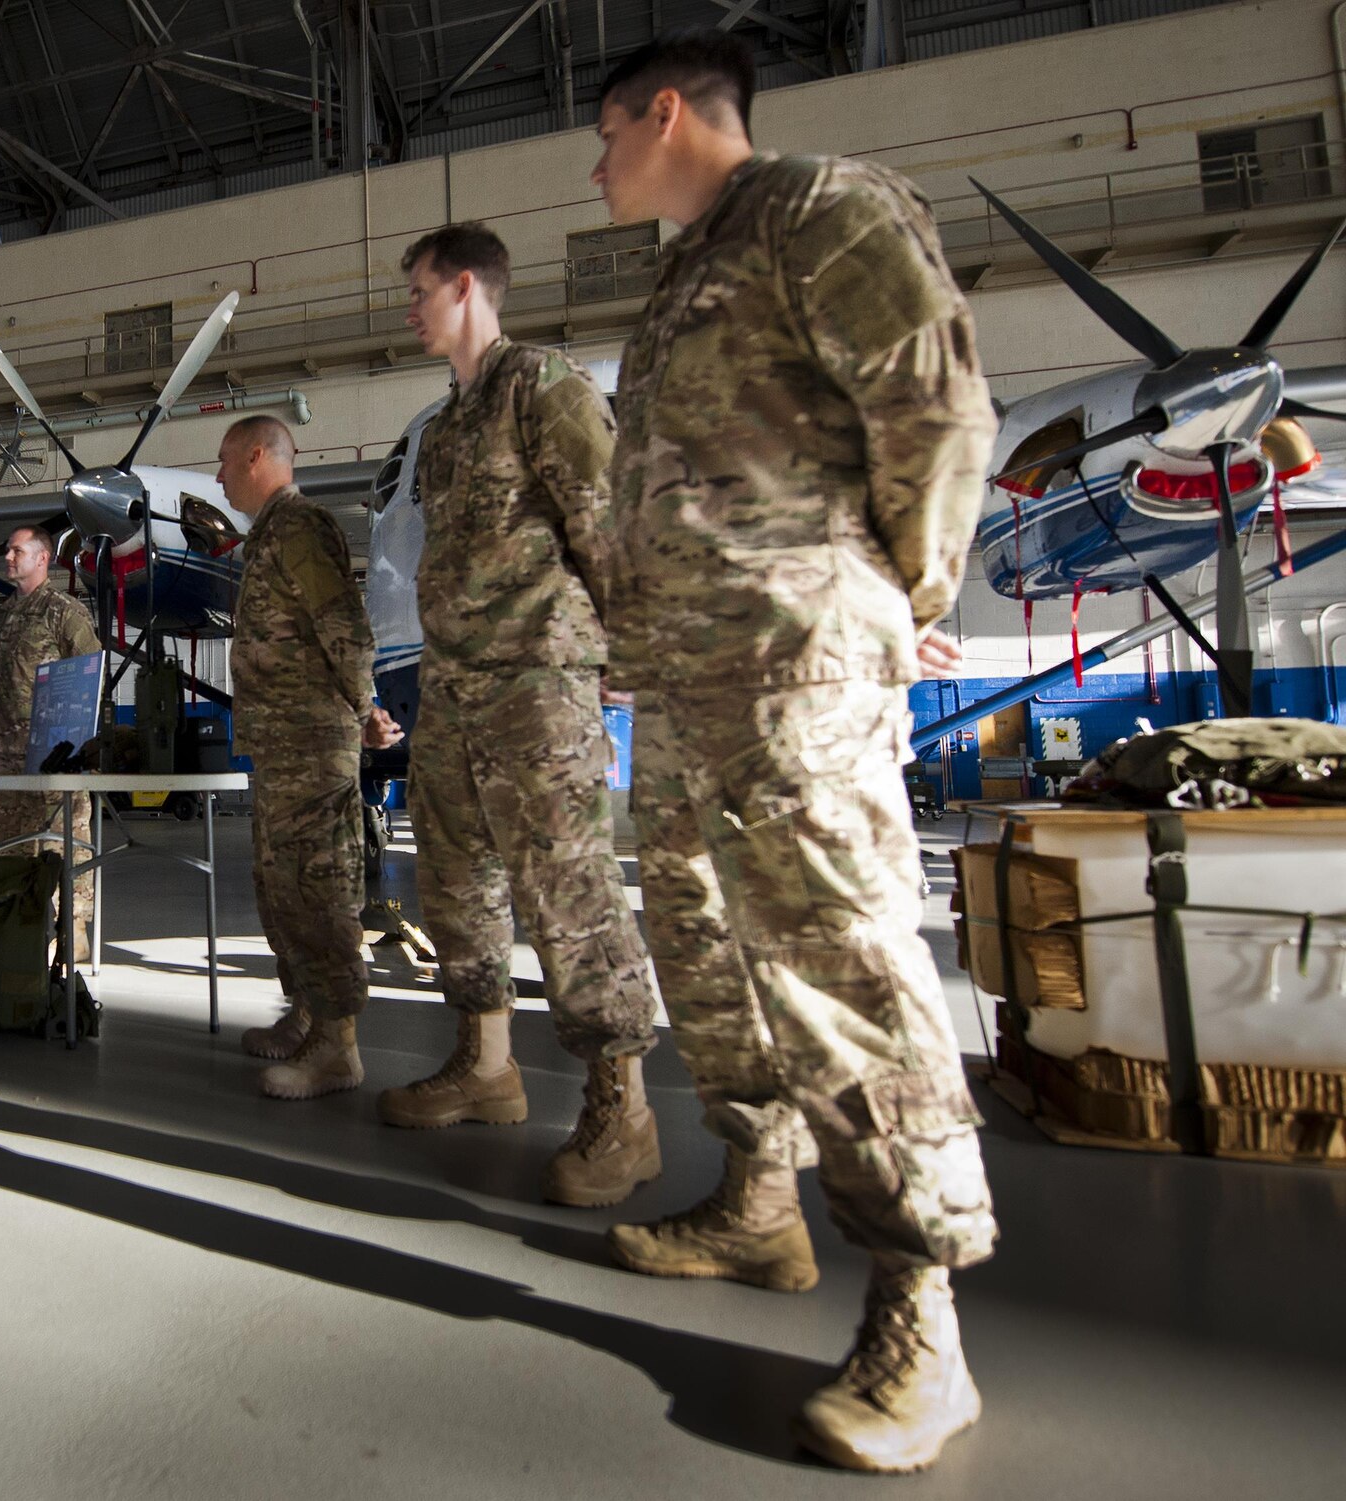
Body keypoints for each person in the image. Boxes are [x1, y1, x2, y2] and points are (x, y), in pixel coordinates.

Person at [590, 31, 999, 1473]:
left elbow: (939, 409)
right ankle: (760, 1202)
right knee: (707, 949)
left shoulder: (826, 206)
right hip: (694, 688)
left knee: (842, 964)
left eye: (607, 138)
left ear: (667, 112)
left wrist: (892, 598)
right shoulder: (683, 275)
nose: (599, 168)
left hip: (796, 665)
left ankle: (921, 1316)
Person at [383, 222, 663, 1209]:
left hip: (539, 683)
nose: (407, 306)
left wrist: (631, 654)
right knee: (455, 889)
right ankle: (486, 1067)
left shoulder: (542, 386)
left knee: (568, 898)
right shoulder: (450, 420)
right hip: (453, 688)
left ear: (465, 286)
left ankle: (621, 1111)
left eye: (417, 289)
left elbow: (609, 520)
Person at [220, 414, 398, 1099]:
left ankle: (338, 1047)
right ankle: (305, 1013)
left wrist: (364, 709)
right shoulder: (265, 539)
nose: (218, 475)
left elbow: (342, 626)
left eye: (225, 461)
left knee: (321, 890)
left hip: (313, 745)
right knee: (281, 890)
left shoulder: (301, 528)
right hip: (278, 746)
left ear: (258, 456)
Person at [0, 526, 102, 960]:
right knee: (9, 837)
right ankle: (17, 919)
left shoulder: (63, 611)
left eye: (18, 551)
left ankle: (72, 925)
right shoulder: (3, 615)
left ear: (43, 558)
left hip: (55, 749)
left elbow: (90, 673)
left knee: (62, 833)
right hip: (6, 747)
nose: (9, 557)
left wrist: (78, 742)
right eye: (8, 550)